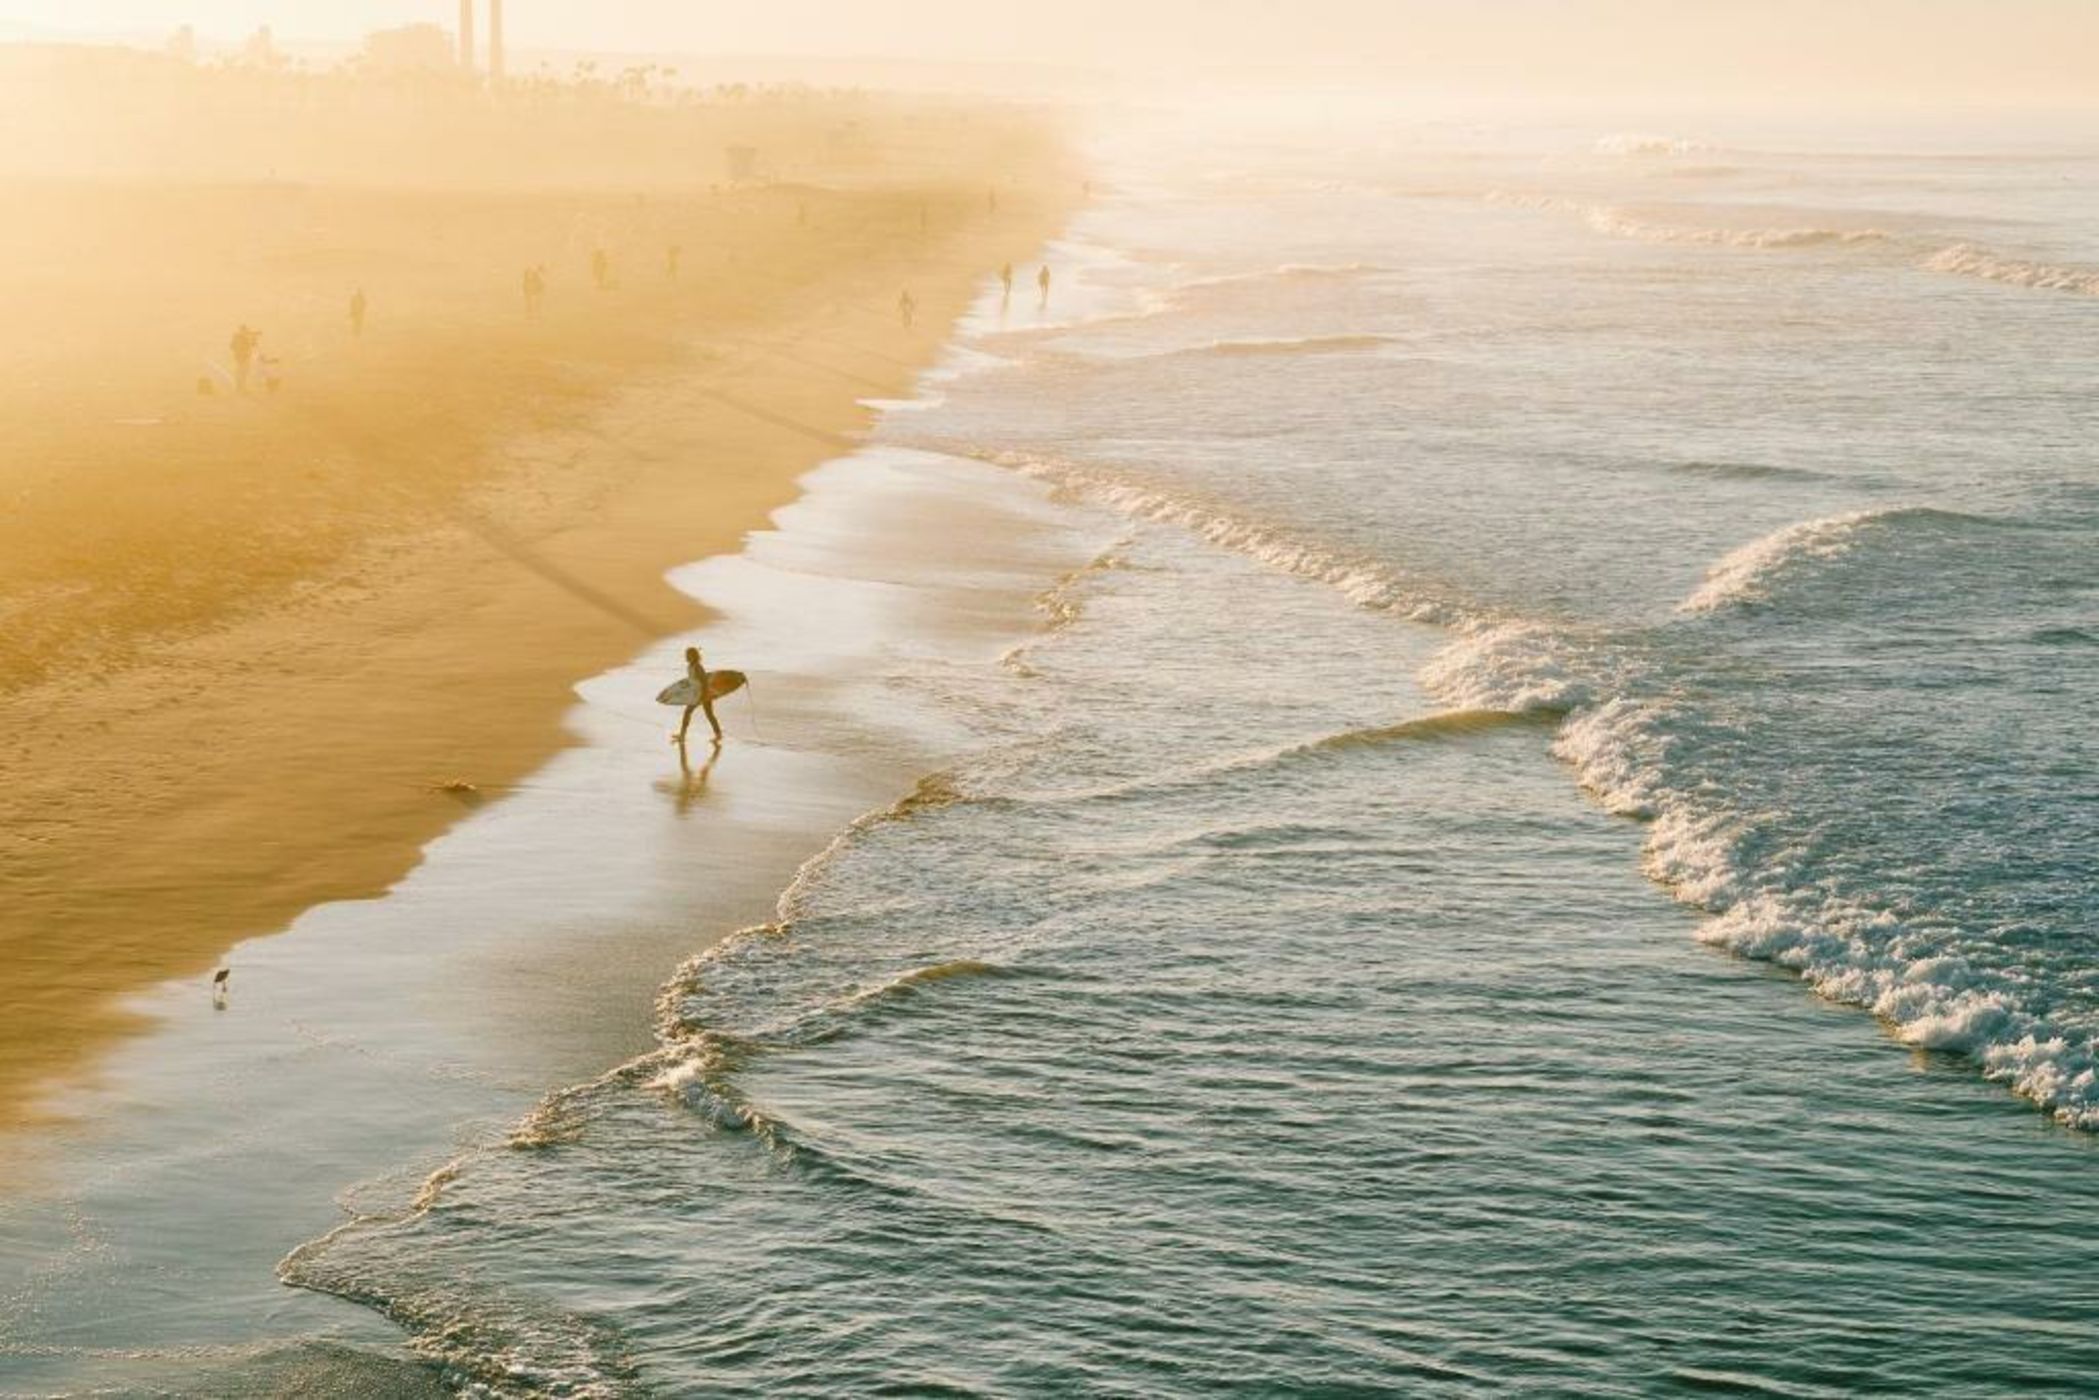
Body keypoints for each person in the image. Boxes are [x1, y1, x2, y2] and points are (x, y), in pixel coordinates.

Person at [674, 645, 722, 746]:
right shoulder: (690, 666)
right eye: (686, 655)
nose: (686, 656)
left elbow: (704, 681)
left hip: (703, 694)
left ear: (694, 656)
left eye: (689, 655)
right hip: (697, 694)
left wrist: (703, 695)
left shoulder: (697, 666)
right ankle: (718, 734)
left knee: (698, 714)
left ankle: (683, 735)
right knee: (706, 714)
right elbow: (693, 682)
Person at [229, 324, 259, 392]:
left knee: (242, 371)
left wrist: (253, 338)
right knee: (242, 372)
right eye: (244, 330)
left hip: (241, 356)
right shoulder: (241, 337)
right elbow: (252, 345)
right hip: (242, 356)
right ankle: (240, 387)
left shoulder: (237, 337)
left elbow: (231, 346)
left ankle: (240, 387)